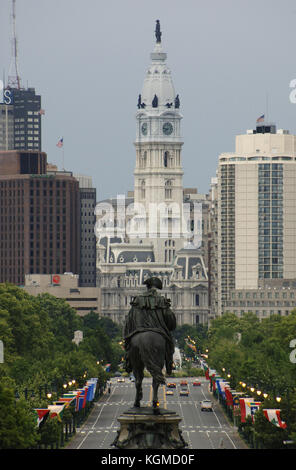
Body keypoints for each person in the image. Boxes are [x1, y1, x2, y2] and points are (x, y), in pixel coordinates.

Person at [123, 277, 176, 375]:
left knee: (129, 345)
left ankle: (128, 363)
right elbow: (169, 317)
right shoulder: (161, 300)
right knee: (170, 345)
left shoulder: (138, 300)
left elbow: (129, 319)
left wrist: (126, 335)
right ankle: (169, 365)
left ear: (147, 287)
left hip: (139, 329)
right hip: (158, 330)